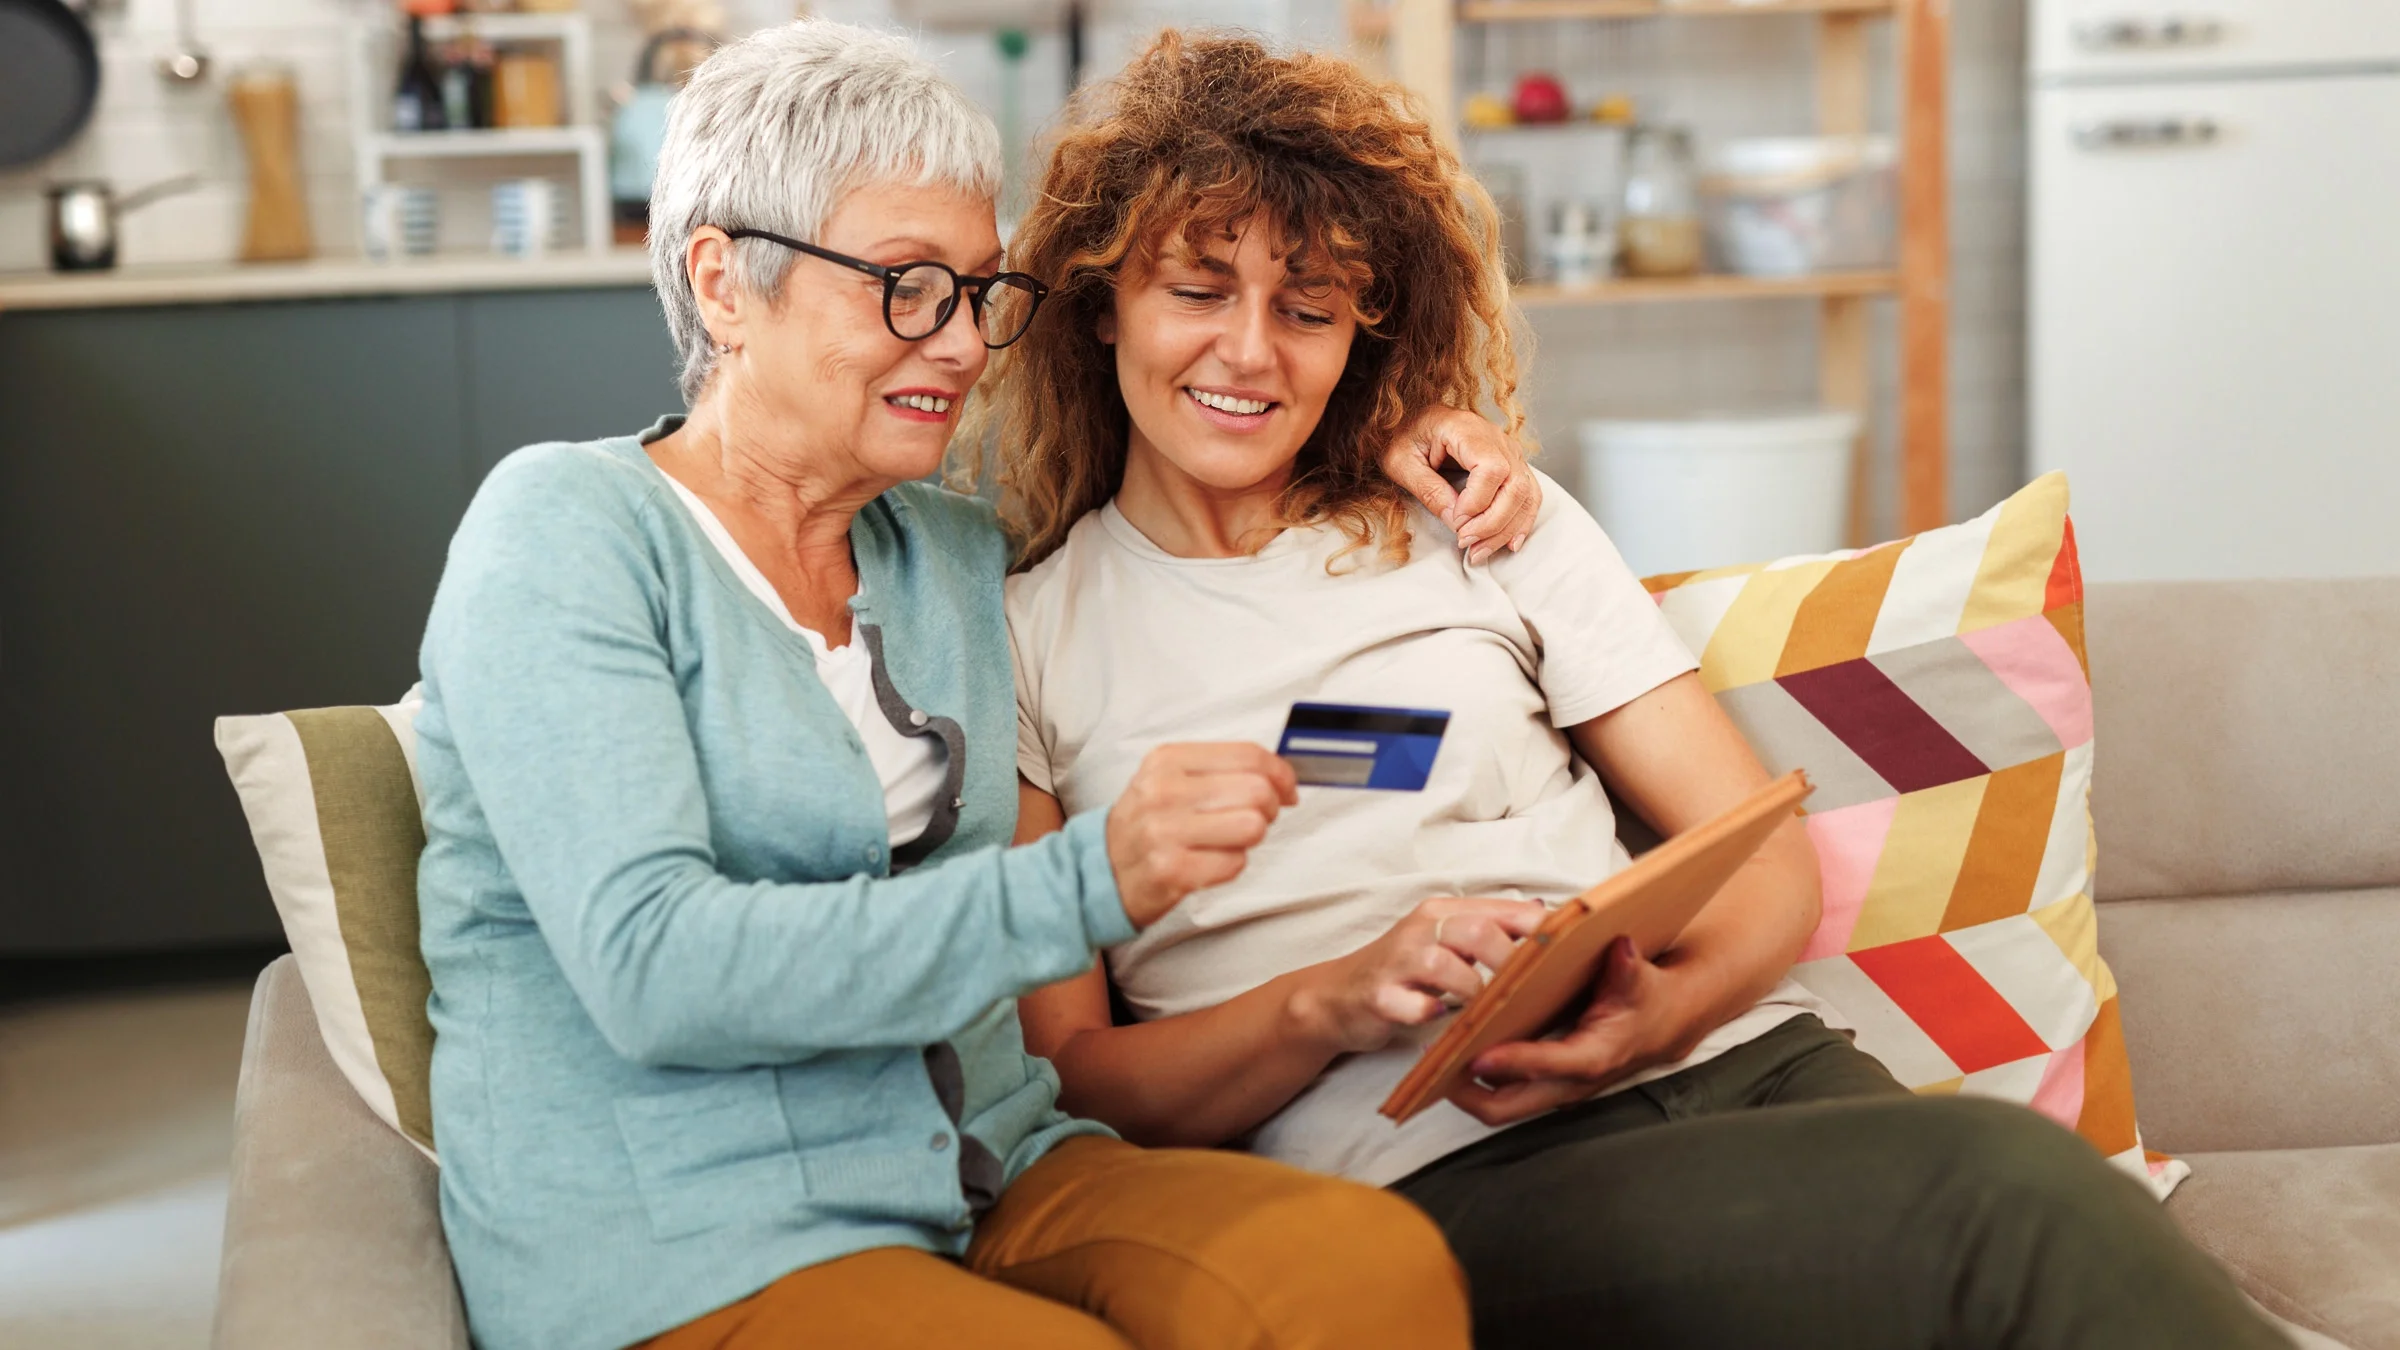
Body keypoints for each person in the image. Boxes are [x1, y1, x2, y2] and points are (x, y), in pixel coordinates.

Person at [1002, 31, 2288, 1350]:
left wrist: (1658, 1009)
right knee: (2016, 1197)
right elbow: (1079, 1079)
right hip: (1448, 1171)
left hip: (1752, 1065)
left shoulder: (1476, 517)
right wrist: (1328, 998)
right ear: (1102, 299)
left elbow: (1762, 861)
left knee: (2031, 1220)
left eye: (1309, 308)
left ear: (1359, 334)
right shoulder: (1027, 640)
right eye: (1199, 291)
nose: (1253, 351)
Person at [411, 20, 1535, 1350]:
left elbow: (1184, 454)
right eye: (903, 286)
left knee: (1358, 1267)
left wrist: (1388, 423)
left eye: (978, 290)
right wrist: (1086, 884)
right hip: (693, 1230)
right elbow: (657, 968)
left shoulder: (949, 553)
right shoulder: (566, 531)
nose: (956, 342)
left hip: (994, 1168)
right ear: (723, 284)